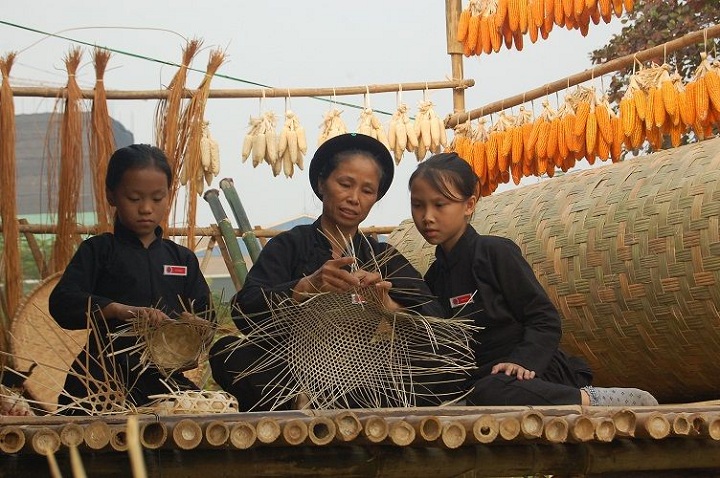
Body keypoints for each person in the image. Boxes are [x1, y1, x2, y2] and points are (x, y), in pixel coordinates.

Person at [210, 133, 456, 411]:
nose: (354, 198)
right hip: (293, 370)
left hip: (366, 371)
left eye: (367, 190)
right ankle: (307, 401)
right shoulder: (290, 245)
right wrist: (305, 286)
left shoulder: (382, 257)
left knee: (446, 364)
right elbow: (244, 311)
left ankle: (330, 402)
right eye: (345, 184)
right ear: (321, 184)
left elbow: (436, 318)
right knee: (228, 352)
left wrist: (388, 306)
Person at [408, 152, 658, 407]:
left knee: (490, 392)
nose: (427, 216)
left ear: (469, 205)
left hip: (527, 373)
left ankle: (592, 399)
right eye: (418, 205)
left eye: (439, 205)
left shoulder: (495, 253)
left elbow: (544, 318)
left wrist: (523, 361)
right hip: (479, 381)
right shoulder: (434, 278)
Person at [49, 144, 213, 415]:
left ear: (168, 196)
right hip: (101, 377)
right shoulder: (99, 251)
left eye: (157, 198)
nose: (146, 208)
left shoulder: (181, 259)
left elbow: (205, 316)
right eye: (135, 198)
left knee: (200, 416)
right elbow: (62, 303)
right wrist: (115, 309)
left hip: (163, 379)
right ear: (111, 196)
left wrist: (198, 328)